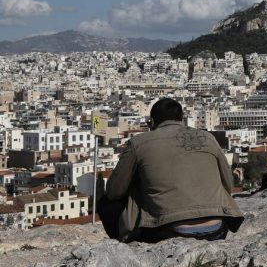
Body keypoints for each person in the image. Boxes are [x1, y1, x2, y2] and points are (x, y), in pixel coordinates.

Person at [101, 98, 244, 243]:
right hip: (217, 229)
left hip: (169, 232)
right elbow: (228, 184)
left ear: (151, 121)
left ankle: (126, 250)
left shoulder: (138, 143)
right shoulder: (208, 138)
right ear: (181, 118)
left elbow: (114, 192)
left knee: (106, 203)